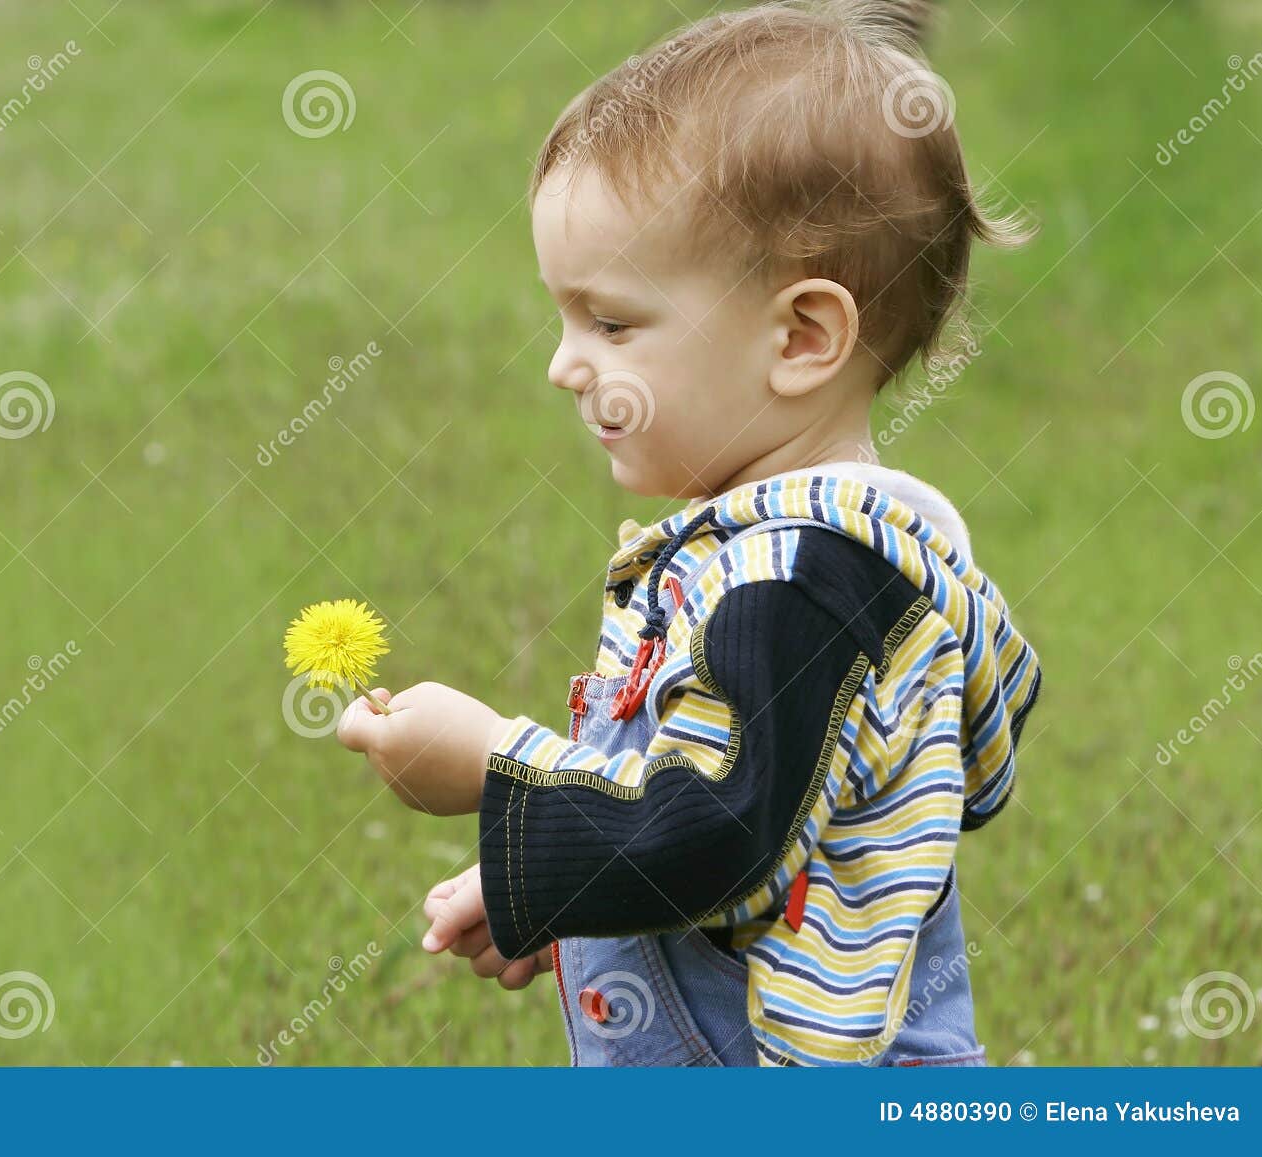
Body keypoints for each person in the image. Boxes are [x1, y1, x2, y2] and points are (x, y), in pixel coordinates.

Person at [336, 0, 1042, 1067]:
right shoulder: (824, 558)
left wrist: (493, 762)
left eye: (612, 323)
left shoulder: (803, 583)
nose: (564, 364)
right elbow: (711, 792)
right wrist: (555, 881)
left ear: (801, 336)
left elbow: (715, 831)